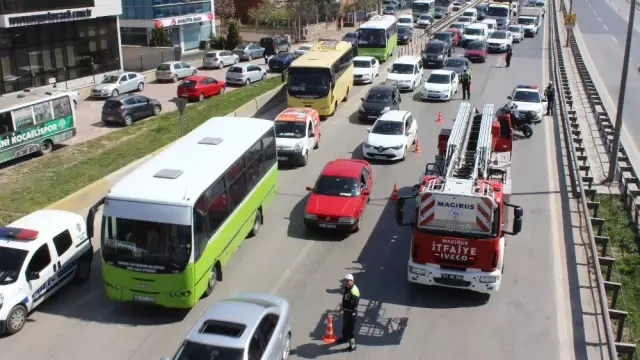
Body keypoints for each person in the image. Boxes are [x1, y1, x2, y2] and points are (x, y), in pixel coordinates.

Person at [337, 274, 360, 351]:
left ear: (352, 281)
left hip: (351, 313)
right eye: (345, 281)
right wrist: (342, 307)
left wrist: (347, 305)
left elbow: (354, 305)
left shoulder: (354, 292)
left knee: (351, 330)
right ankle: (344, 339)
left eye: (348, 281)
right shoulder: (346, 288)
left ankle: (353, 346)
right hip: (346, 311)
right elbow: (344, 298)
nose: (346, 282)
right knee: (344, 326)